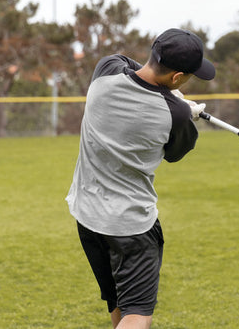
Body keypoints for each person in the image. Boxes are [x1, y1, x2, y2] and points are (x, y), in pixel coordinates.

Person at [66, 28, 215, 329]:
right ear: (177, 78)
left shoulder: (105, 73)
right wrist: (180, 106)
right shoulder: (176, 115)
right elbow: (174, 153)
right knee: (138, 314)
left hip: (87, 215)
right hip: (131, 225)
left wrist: (173, 98)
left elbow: (130, 66)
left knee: (119, 302)